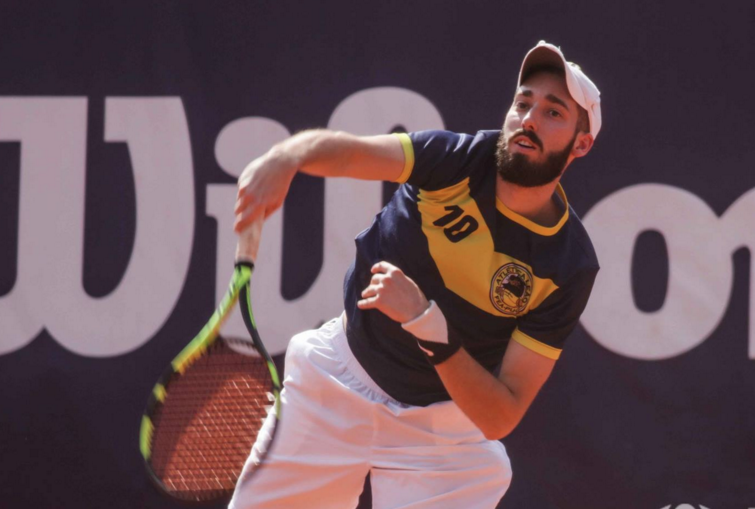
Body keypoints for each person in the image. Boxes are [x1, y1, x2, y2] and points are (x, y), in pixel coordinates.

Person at [230, 40, 601, 509]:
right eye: (523, 102)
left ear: (580, 144)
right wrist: (285, 158)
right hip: (337, 383)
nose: (528, 119)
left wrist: (428, 324)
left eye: (553, 113)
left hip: (442, 433)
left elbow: (501, 413)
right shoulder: (453, 159)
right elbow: (347, 153)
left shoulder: (568, 264)